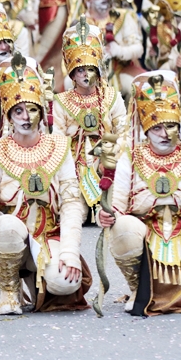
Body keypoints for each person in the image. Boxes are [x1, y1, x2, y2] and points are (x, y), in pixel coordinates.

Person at [0, 54, 89, 315]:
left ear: (41, 112)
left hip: (48, 234)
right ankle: (8, 289)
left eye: (32, 109)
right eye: (18, 111)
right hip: (8, 236)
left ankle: (37, 276)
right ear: (9, 116)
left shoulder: (60, 146)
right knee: (7, 225)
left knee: (65, 282)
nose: (26, 117)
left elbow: (73, 203)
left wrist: (70, 252)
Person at [99, 70, 181, 315]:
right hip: (146, 241)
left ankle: (156, 296)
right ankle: (139, 289)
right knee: (124, 228)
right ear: (145, 129)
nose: (165, 134)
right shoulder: (129, 157)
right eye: (157, 127)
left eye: (171, 126)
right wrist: (106, 216)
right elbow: (116, 207)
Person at [53, 20, 128, 215]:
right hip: (75, 165)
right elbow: (57, 140)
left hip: (107, 161)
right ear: (72, 74)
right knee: (78, 212)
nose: (86, 75)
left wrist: (110, 158)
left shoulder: (112, 96)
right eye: (80, 70)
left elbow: (124, 132)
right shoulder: (61, 101)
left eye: (91, 69)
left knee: (114, 207)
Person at [80, 0, 144, 96]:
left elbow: (138, 49)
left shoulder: (123, 16)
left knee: (140, 89)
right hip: (90, 74)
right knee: (70, 83)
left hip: (122, 70)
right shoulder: (81, 22)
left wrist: (119, 51)